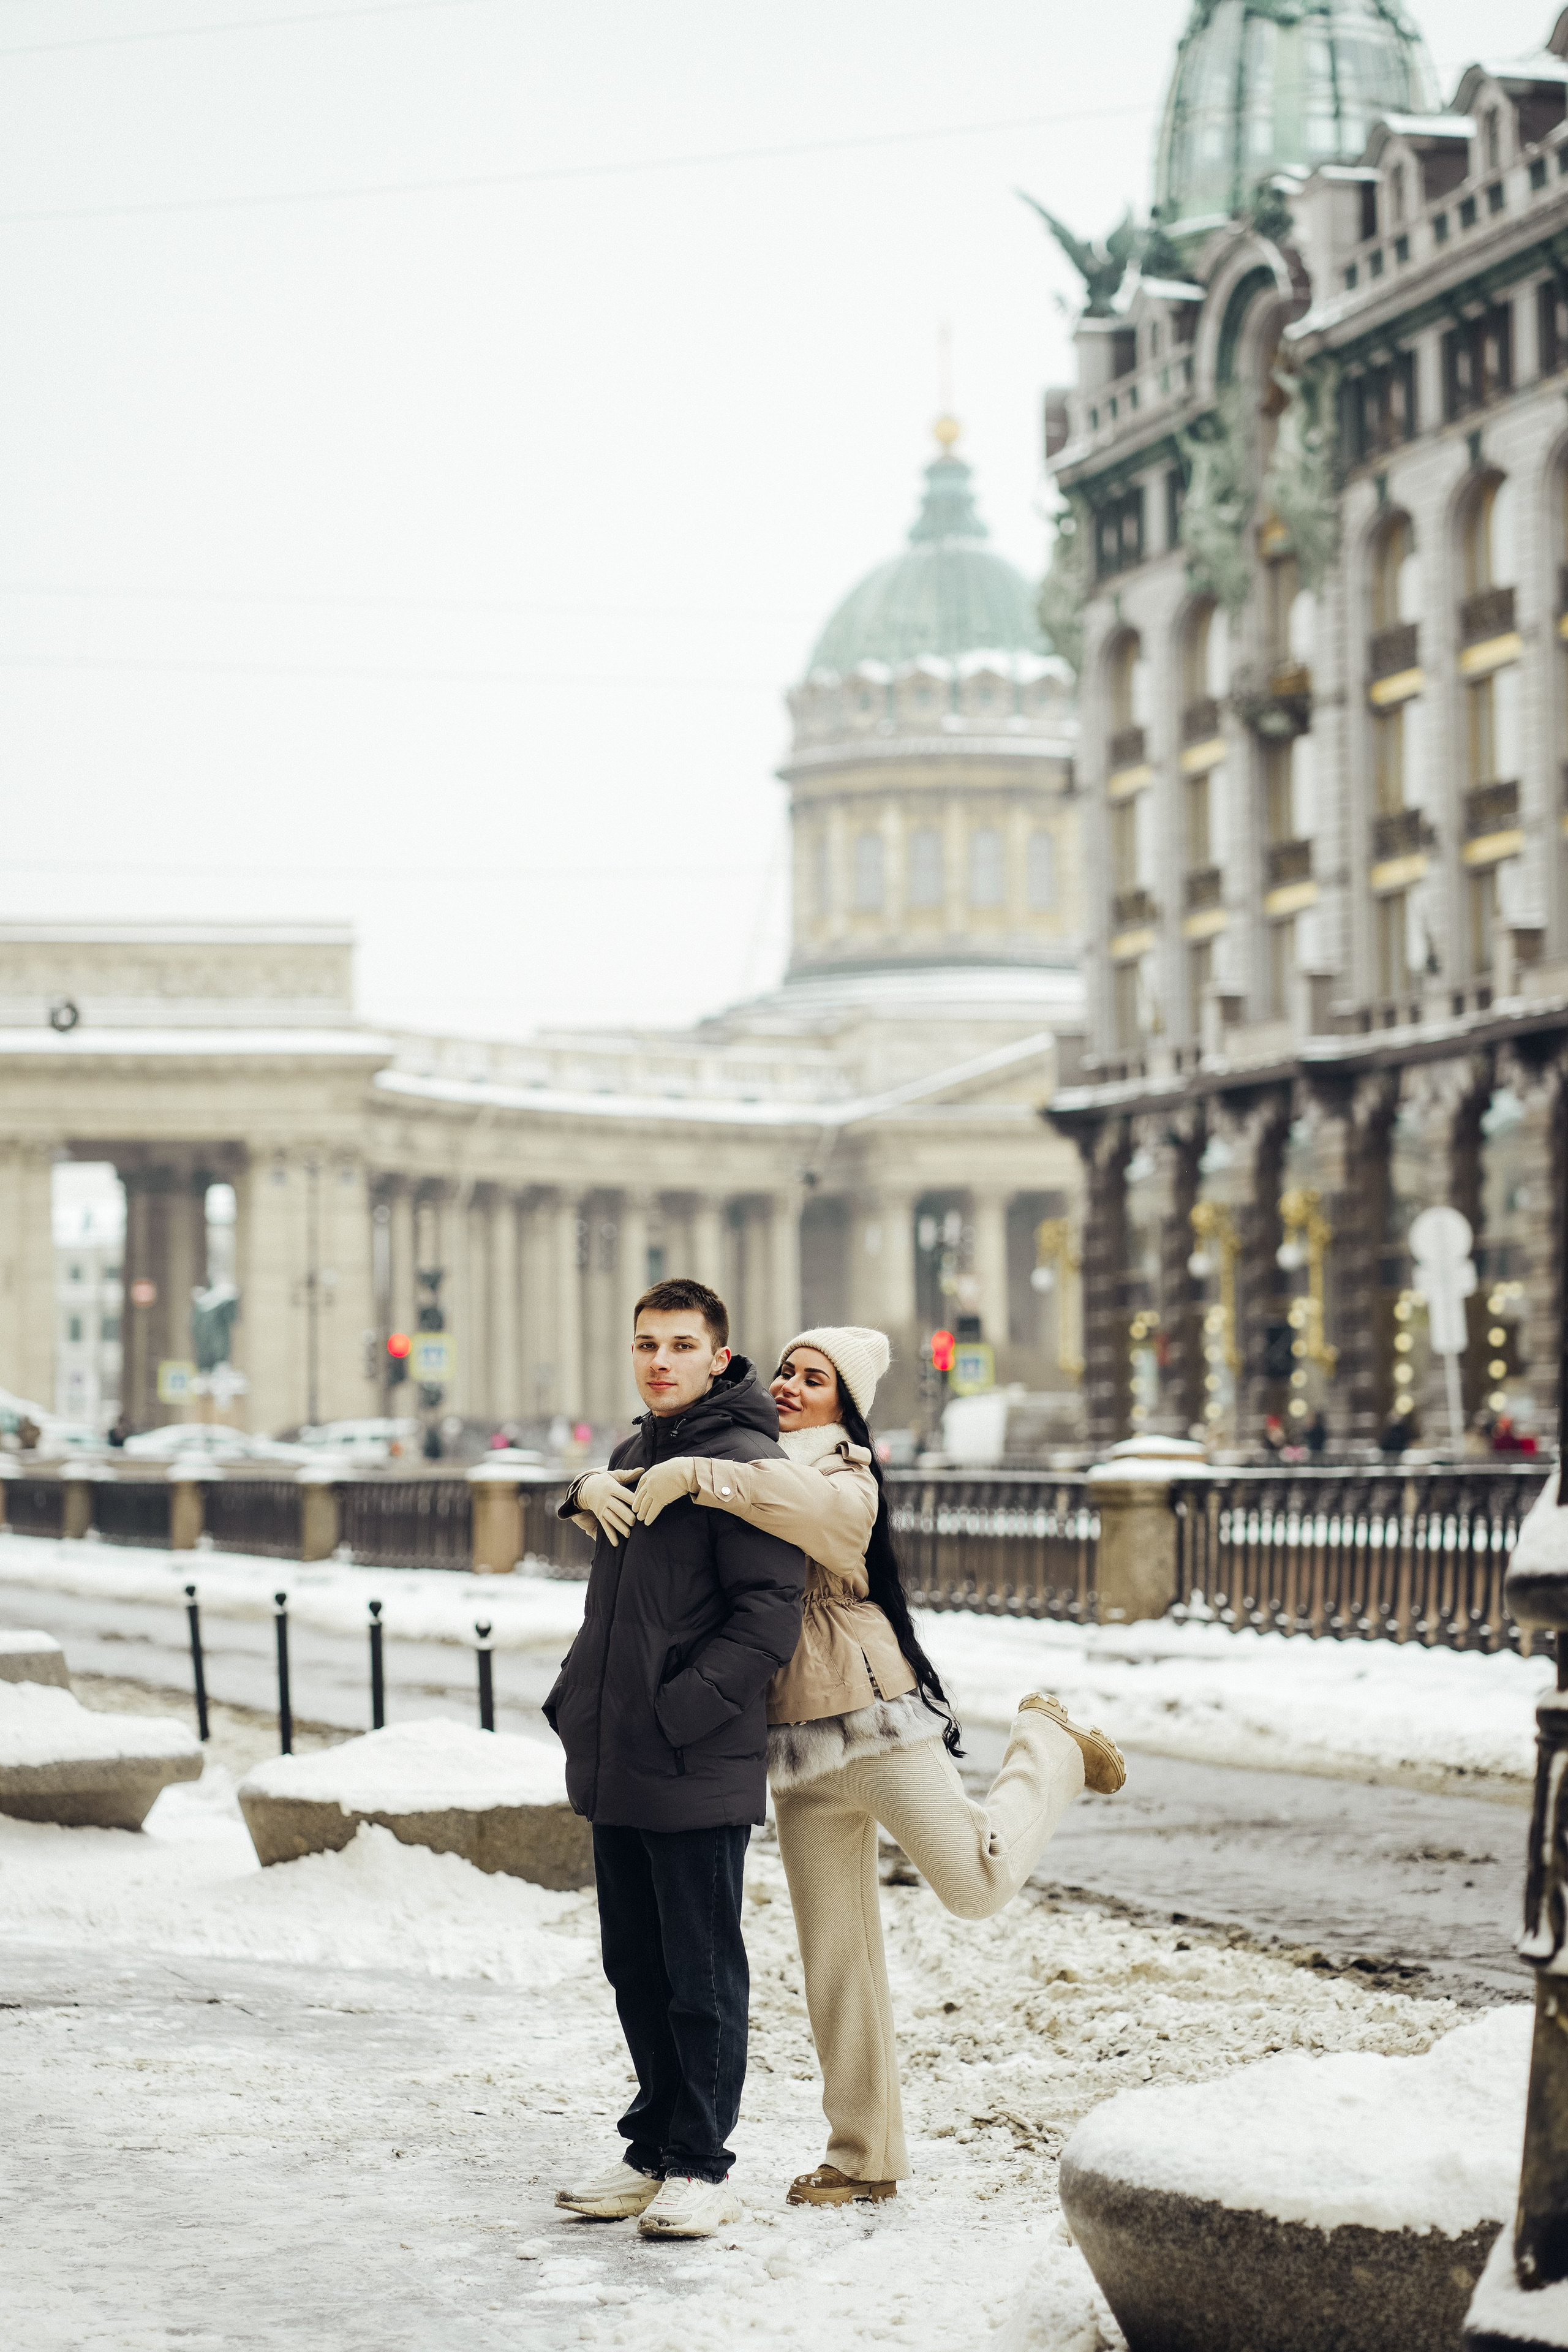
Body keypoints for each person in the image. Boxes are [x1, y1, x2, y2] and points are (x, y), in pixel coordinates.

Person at [611, 1324, 1125, 2209]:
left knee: (976, 1884)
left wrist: (697, 1474)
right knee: (837, 1965)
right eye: (785, 1371)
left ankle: (1049, 1744)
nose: (789, 1386)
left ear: (845, 1402)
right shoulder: (752, 1459)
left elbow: (799, 1512)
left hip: (872, 1720)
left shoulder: (844, 1478)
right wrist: (598, 1484)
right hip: (794, 1749)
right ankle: (864, 2154)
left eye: (813, 1379)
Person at [545, 1278, 805, 2241]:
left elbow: (769, 1615)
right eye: (647, 1344)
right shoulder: (631, 1454)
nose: (660, 1361)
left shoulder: (743, 1462)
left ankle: (700, 2162)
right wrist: (575, 1490)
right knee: (636, 1966)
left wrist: (684, 1709)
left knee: (700, 1973)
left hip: (691, 1754)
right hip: (621, 1754)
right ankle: (651, 2149)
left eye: (681, 1346)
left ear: (720, 1358)